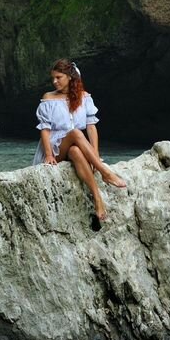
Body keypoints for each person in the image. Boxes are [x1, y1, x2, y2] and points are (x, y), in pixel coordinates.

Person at [32, 59, 126, 223]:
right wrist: (48, 154)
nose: (55, 81)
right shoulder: (48, 98)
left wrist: (94, 153)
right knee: (75, 133)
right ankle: (105, 173)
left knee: (76, 151)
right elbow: (45, 130)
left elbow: (91, 127)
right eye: (53, 78)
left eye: (59, 77)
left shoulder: (85, 97)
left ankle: (97, 199)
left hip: (75, 147)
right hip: (55, 148)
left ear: (69, 77)